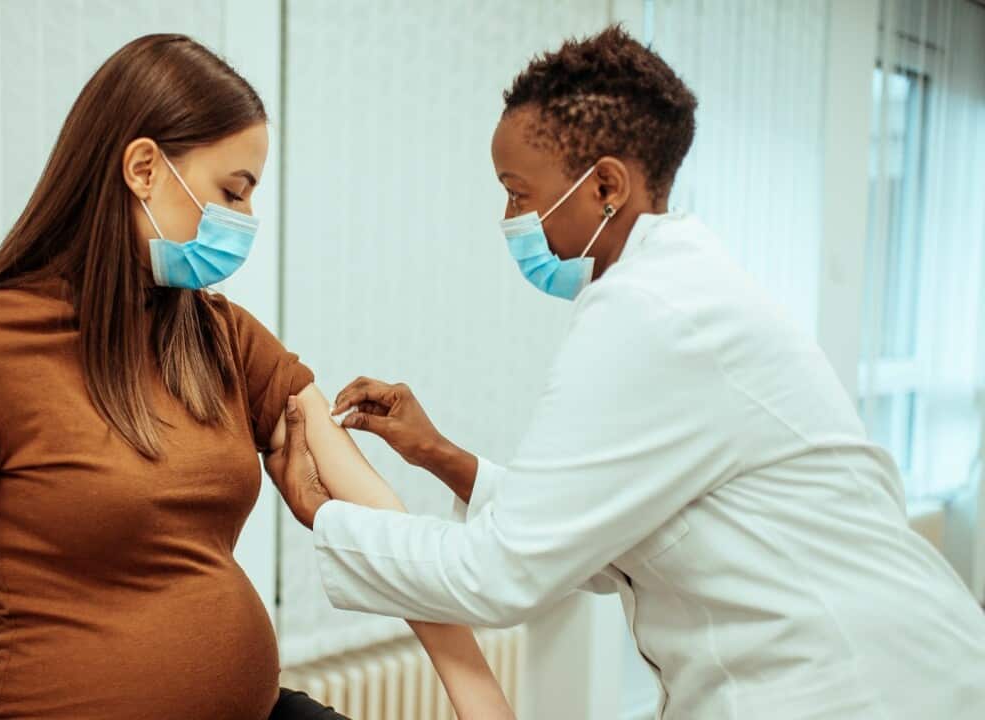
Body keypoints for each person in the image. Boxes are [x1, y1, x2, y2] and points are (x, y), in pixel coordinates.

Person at [265, 26, 985, 719]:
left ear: (604, 185)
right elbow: (601, 544)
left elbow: (501, 572)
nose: (507, 217)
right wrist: (441, 456)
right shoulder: (680, 295)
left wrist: (323, 514)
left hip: (856, 687)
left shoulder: (650, 313)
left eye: (518, 192)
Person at [0, 34, 510, 720]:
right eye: (231, 193)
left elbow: (373, 511)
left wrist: (476, 694)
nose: (246, 221)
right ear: (144, 168)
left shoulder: (219, 336)